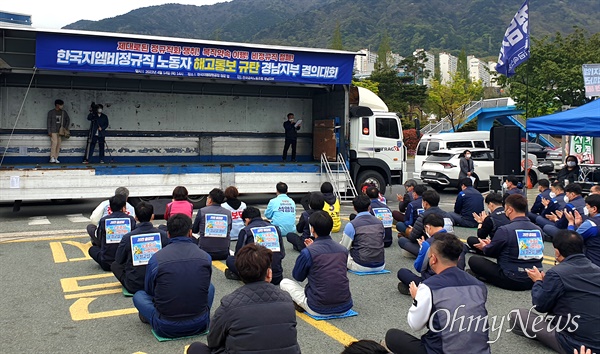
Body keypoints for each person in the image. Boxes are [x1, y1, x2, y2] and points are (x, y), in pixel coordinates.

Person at [384, 233, 490, 354]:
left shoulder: (429, 287)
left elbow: (415, 325)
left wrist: (416, 299)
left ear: (433, 259)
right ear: (459, 258)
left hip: (443, 350)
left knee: (392, 336)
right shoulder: (479, 286)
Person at [187, 244, 300, 354]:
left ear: (240, 274)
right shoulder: (286, 300)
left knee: (196, 348)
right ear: (269, 274)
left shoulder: (229, 304)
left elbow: (213, 340)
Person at [509, 230, 600, 354]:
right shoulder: (597, 270)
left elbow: (540, 305)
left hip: (575, 343)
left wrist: (538, 282)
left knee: (518, 314)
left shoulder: (557, 273)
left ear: (557, 252)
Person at [133, 214, 214, 338]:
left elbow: (150, 291)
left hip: (165, 326)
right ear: (190, 232)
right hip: (200, 323)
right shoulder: (205, 257)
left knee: (139, 296)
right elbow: (204, 284)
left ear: (168, 234)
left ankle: (152, 317)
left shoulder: (156, 258)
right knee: (211, 287)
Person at [280, 211, 353, 316]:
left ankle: (302, 304)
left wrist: (310, 252)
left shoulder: (308, 252)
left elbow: (298, 276)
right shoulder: (342, 250)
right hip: (345, 306)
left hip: (318, 308)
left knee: (284, 283)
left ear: (312, 229)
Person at [468, 194, 544, 291]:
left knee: (474, 260)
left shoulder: (505, 230)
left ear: (510, 210)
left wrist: (485, 247)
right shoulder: (538, 230)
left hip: (513, 277)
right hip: (535, 278)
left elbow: (490, 252)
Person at [112, 202, 169, 294]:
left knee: (114, 265)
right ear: (152, 216)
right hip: (157, 283)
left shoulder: (127, 237)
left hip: (135, 285)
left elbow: (119, 260)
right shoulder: (163, 235)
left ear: (136, 217)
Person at [225, 206, 285, 285]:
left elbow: (238, 256)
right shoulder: (275, 228)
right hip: (277, 276)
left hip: (256, 277)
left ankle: (241, 276)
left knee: (230, 260)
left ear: (247, 219)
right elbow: (282, 253)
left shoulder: (246, 231)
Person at [397, 214, 447, 294]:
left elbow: (419, 267)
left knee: (402, 272)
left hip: (434, 284)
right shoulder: (455, 241)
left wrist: (422, 249)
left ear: (428, 227)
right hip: (455, 282)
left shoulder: (428, 244)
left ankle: (417, 291)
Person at [88, 194, 137, 271]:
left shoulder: (104, 220)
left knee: (92, 249)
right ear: (124, 208)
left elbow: (99, 237)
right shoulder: (131, 220)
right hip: (125, 263)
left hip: (107, 263)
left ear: (110, 208)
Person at [399, 190, 453, 257]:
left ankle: (422, 254)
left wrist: (411, 231)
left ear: (425, 203)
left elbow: (412, 237)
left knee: (402, 240)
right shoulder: (447, 215)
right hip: (447, 247)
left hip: (431, 249)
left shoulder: (423, 217)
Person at [340, 195, 385, 272]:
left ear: (354, 208)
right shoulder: (379, 222)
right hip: (380, 265)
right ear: (369, 207)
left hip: (361, 265)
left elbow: (344, 247)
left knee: (339, 254)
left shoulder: (352, 225)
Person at [192, 188, 232, 260]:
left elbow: (194, 230)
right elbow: (229, 229)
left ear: (210, 199)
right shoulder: (228, 213)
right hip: (223, 252)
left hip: (205, 251)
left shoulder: (202, 211)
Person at [565, 194, 600, 266]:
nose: (586, 208)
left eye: (587, 206)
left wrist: (571, 223)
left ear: (594, 209)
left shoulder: (590, 224)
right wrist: (579, 225)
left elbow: (571, 239)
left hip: (593, 262)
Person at [46, 99, 70, 164]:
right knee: (54, 143)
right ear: (57, 105)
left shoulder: (63, 112)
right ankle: (52, 157)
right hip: (53, 130)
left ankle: (56, 157)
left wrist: (65, 127)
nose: (62, 106)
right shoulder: (51, 112)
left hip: (60, 131)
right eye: (61, 105)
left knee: (58, 144)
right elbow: (48, 122)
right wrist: (49, 131)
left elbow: (68, 119)